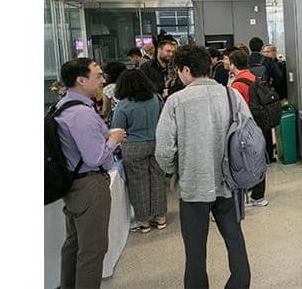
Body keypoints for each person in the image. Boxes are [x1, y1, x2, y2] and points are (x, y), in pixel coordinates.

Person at [155, 45, 252, 288]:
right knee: (235, 240)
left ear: (186, 70)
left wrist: (173, 171)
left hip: (193, 185)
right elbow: (250, 136)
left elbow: (164, 150)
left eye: (179, 71)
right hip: (228, 182)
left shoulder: (176, 101)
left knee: (195, 251)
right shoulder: (232, 95)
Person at [55, 58, 127, 289]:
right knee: (92, 250)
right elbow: (95, 158)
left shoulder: (63, 106)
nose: (103, 80)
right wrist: (113, 141)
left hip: (75, 185)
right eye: (98, 76)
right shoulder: (82, 115)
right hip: (89, 186)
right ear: (81, 80)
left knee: (74, 244)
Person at [111, 69, 166, 234]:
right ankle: (161, 217)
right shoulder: (156, 98)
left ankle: (144, 222)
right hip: (157, 143)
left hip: (134, 146)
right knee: (158, 180)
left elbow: (117, 130)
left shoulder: (123, 104)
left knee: (138, 183)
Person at [228, 49, 270, 208]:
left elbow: (235, 109)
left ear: (233, 64)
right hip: (259, 125)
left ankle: (243, 195)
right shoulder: (254, 78)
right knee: (259, 158)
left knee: (243, 161)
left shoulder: (238, 84)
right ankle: (259, 195)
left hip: (245, 129)